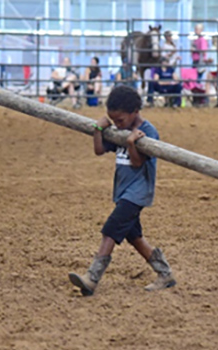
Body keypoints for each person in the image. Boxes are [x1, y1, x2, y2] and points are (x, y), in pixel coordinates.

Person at [68, 85, 176, 296]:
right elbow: (100, 150)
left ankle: (92, 278)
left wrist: (131, 144)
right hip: (123, 191)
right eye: (113, 120)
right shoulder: (119, 130)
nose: (117, 124)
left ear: (135, 111)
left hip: (137, 192)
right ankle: (165, 274)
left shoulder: (148, 132)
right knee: (133, 236)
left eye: (120, 120)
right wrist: (98, 130)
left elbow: (137, 164)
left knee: (111, 229)